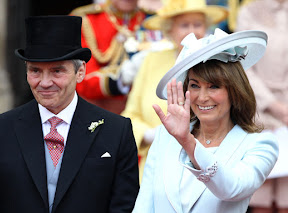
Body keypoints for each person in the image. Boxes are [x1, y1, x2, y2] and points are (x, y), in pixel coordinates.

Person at [0, 16, 139, 213]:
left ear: (81, 71)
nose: (45, 82)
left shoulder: (116, 131)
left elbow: (125, 207)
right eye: (35, 71)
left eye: (57, 71)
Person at [132, 28, 279, 212]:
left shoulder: (260, 144)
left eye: (213, 86)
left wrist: (188, 142)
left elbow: (232, 188)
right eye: (195, 85)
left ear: (234, 91)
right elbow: (145, 205)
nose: (202, 97)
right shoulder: (165, 136)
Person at [121, 0, 228, 181]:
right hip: (155, 164)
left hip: (203, 165)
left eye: (197, 24)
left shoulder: (218, 63)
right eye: (184, 25)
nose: (191, 31)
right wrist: (147, 135)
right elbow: (130, 114)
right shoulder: (151, 61)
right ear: (170, 30)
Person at [236, 0, 288, 212]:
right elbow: (242, 64)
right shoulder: (249, 12)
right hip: (258, 110)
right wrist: (274, 105)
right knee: (261, 197)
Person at [69, 0, 162, 114]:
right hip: (99, 112)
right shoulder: (86, 19)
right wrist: (119, 81)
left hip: (145, 113)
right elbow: (79, 78)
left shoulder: (153, 20)